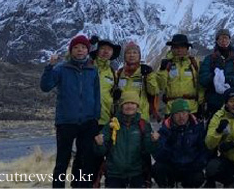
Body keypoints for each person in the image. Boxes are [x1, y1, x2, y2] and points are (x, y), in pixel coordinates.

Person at [40, 34, 100, 188]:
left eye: (83, 47)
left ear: (88, 50)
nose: (80, 50)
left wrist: (95, 117)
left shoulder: (92, 70)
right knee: (62, 160)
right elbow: (45, 87)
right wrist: (49, 67)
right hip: (66, 122)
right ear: (71, 50)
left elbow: (96, 95)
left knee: (85, 158)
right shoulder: (61, 69)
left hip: (88, 122)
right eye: (76, 47)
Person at [94, 92, 159, 188]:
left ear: (137, 106)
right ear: (121, 105)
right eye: (126, 103)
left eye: (133, 103)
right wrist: (99, 144)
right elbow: (101, 152)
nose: (129, 106)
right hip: (114, 174)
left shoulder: (143, 125)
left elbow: (149, 150)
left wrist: (154, 141)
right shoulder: (112, 125)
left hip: (137, 173)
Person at [87, 35, 122, 186]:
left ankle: (96, 183)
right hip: (86, 118)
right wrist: (88, 44)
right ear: (97, 51)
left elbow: (113, 98)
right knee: (85, 154)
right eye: (103, 49)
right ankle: (81, 184)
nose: (106, 52)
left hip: (104, 119)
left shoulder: (113, 73)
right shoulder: (88, 65)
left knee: (100, 155)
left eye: (109, 50)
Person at [153, 98, 208, 188]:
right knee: (157, 168)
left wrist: (198, 164)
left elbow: (204, 150)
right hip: (172, 167)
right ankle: (168, 185)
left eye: (184, 113)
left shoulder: (197, 128)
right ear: (172, 115)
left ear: (188, 114)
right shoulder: (165, 130)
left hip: (190, 166)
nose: (181, 117)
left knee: (198, 177)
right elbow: (158, 156)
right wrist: (169, 144)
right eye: (177, 113)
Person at [199, 29, 234, 118]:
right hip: (214, 101)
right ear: (217, 41)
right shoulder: (209, 59)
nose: (223, 40)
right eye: (220, 38)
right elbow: (202, 78)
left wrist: (224, 79)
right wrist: (214, 78)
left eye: (226, 38)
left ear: (229, 40)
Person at [156, 34, 203, 117]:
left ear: (187, 49)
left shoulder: (194, 63)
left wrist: (201, 103)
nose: (179, 50)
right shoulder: (167, 64)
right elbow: (161, 85)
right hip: (172, 108)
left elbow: (200, 85)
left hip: (192, 108)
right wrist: (163, 70)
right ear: (171, 48)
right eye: (176, 47)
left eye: (182, 47)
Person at [114, 41, 159, 122]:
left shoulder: (145, 73)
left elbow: (153, 91)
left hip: (141, 116)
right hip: (121, 116)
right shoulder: (119, 73)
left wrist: (149, 76)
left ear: (139, 56)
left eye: (135, 52)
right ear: (124, 56)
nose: (131, 55)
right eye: (128, 53)